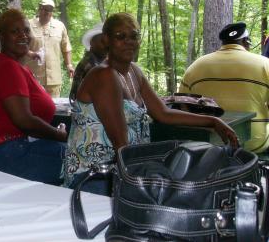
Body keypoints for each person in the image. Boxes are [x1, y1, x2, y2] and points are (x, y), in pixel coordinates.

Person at [62, 13, 239, 194]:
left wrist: (213, 122)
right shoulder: (103, 75)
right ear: (106, 40)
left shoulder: (133, 72)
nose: (128, 41)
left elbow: (163, 113)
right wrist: (138, 188)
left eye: (134, 36)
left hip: (127, 166)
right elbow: (119, 142)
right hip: (96, 174)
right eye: (120, 36)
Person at [0, 9, 67, 185]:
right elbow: (24, 120)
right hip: (10, 153)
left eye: (26, 30)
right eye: (15, 31)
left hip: (19, 147)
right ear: (2, 36)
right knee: (83, 162)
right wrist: (59, 135)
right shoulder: (8, 68)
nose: (23, 35)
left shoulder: (17, 67)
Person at [180, 22, 269, 153]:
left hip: (206, 144)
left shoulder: (195, 66)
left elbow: (182, 106)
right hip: (252, 144)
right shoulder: (265, 64)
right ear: (245, 41)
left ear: (223, 43)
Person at [24, 0, 74, 97]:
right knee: (34, 107)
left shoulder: (60, 26)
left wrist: (69, 65)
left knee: (54, 107)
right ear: (39, 9)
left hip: (54, 79)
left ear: (52, 12)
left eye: (49, 9)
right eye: (44, 8)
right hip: (33, 76)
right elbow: (21, 46)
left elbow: (66, 47)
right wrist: (31, 54)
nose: (46, 12)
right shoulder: (28, 25)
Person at [69, 23, 107, 104]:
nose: (107, 45)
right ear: (92, 43)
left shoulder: (101, 61)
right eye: (102, 41)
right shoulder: (89, 64)